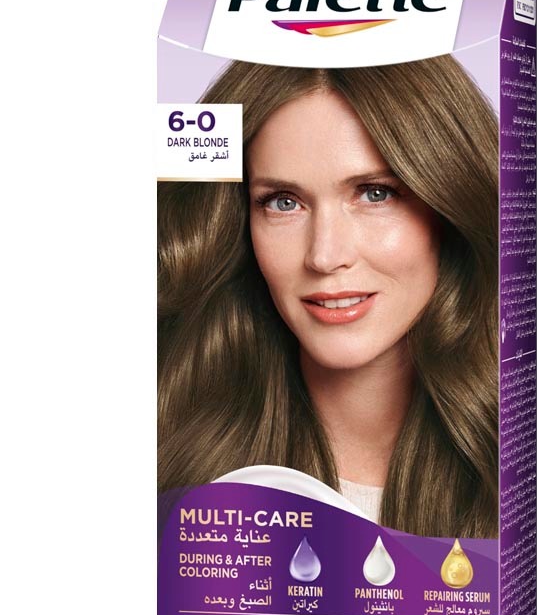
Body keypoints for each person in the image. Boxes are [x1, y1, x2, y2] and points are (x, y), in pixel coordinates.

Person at [158, 56, 498, 537]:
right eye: (283, 202)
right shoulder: (166, 448)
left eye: (375, 194)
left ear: (449, 204)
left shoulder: (522, 464)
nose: (325, 255)